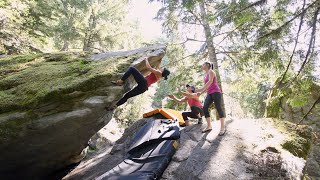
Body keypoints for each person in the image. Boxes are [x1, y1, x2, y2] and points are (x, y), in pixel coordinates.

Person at [197, 62, 226, 135]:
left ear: (207, 65)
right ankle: (209, 126)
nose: (202, 65)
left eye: (203, 64)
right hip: (209, 93)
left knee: (218, 107)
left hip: (216, 91)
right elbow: (206, 87)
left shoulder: (211, 71)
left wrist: (200, 89)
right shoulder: (204, 76)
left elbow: (210, 81)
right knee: (205, 107)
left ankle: (222, 127)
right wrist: (200, 92)